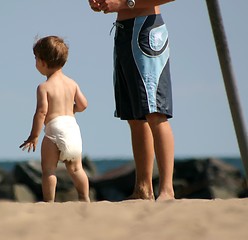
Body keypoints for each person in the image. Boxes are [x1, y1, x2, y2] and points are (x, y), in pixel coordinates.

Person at [88, 0, 175, 201]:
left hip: (146, 28)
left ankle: (167, 190)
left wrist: (124, 2)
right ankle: (143, 189)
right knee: (135, 117)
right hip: (123, 30)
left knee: (155, 112)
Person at [19, 36, 90, 202]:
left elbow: (41, 112)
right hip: (72, 128)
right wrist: (71, 109)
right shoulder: (72, 83)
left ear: (43, 62)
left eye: (36, 59)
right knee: (77, 169)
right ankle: (84, 197)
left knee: (49, 170)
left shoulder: (44, 87)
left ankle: (49, 201)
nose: (35, 63)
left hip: (54, 129)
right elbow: (83, 105)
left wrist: (34, 136)